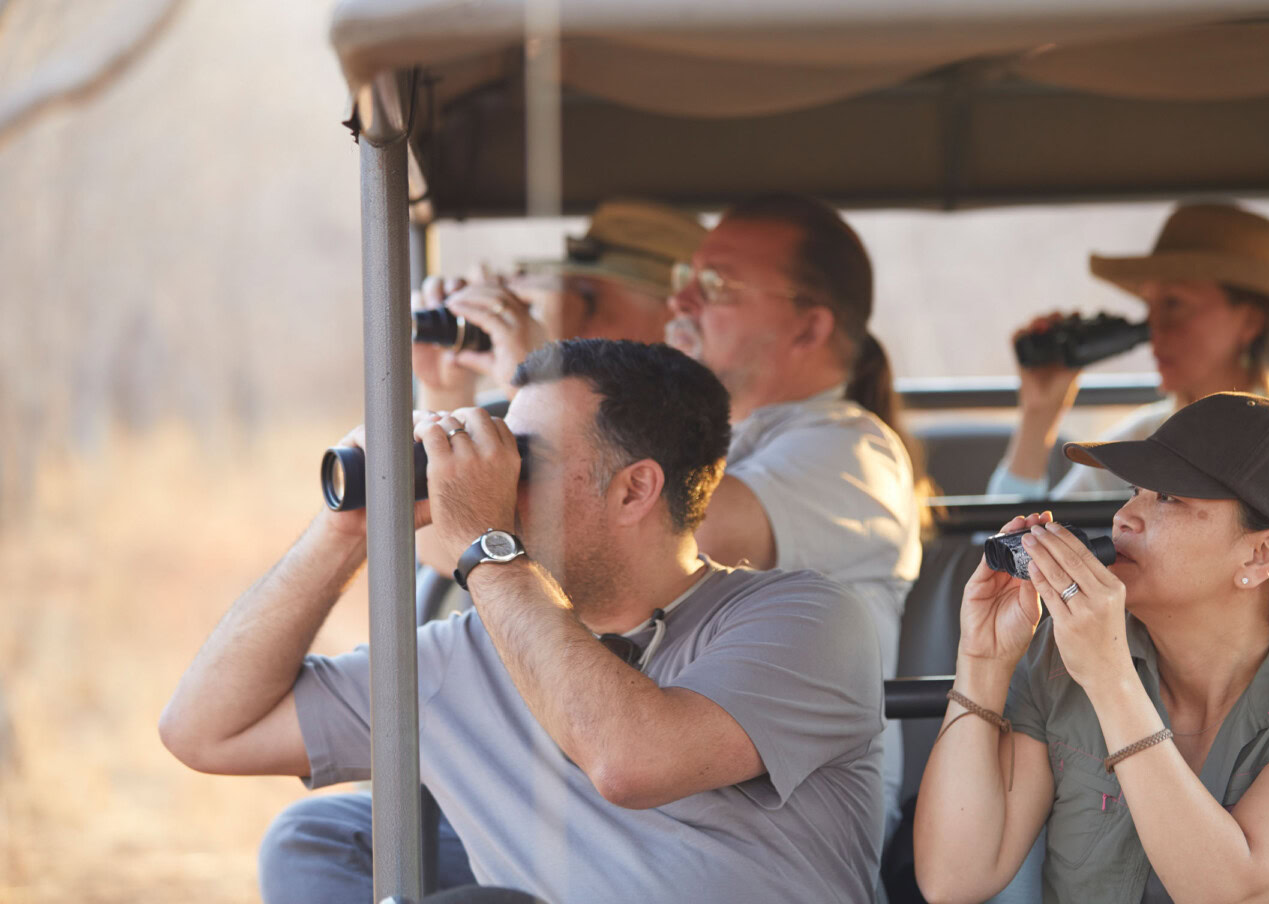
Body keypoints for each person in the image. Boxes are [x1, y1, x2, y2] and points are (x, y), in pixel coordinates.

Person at [159, 339, 886, 904]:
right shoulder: (461, 657)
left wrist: (486, 547)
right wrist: (346, 528)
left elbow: (629, 761)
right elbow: (205, 731)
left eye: (523, 457)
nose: (498, 478)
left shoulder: (800, 619)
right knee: (317, 836)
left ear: (636, 490)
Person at [914, 392, 1269, 904]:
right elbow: (955, 878)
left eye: (1168, 498)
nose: (1125, 517)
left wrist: (1109, 679)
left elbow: (1226, 891)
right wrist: (984, 659)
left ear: (1261, 555)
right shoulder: (1067, 654)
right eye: (1135, 490)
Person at [665, 192, 924, 838]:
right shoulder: (732, 439)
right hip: (680, 799)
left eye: (716, 285)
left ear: (809, 328)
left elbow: (664, 535)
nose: (681, 304)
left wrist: (546, 384)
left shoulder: (855, 452)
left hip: (781, 825)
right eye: (686, 280)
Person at [989, 202, 1269, 497]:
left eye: (1174, 304)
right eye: (1149, 307)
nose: (1153, 329)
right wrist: (1039, 414)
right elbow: (1010, 545)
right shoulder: (1139, 441)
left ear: (1251, 322)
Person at [413, 197, 705, 411]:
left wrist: (537, 380)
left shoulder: (713, 447)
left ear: (678, 330)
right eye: (562, 291)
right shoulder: (508, 412)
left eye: (588, 302)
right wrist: (445, 390)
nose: (562, 315)